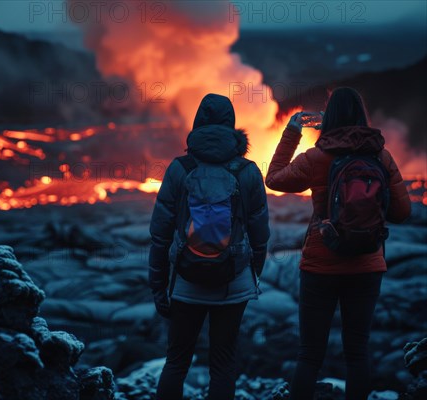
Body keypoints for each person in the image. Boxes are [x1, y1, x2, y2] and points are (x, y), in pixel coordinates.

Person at [265, 87, 411, 399]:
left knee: (309, 355)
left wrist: (293, 131)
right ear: (362, 116)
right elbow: (402, 213)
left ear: (327, 119)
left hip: (320, 265)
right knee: (357, 352)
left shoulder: (317, 157)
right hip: (367, 266)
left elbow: (273, 178)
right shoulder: (381, 157)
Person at [148, 93, 270, 400]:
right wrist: (252, 273)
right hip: (233, 281)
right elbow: (260, 234)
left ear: (197, 124)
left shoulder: (180, 168)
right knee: (223, 363)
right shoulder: (248, 171)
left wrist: (158, 286)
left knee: (176, 361)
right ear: (232, 127)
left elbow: (160, 235)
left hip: (186, 281)